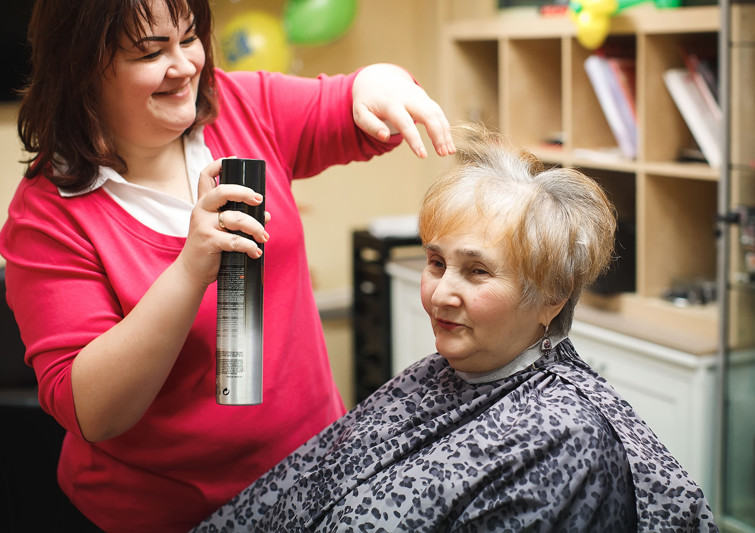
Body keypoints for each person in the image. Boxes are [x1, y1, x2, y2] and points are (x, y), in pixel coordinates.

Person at [0, 0, 455, 531]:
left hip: (311, 485)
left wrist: (385, 81)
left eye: (189, 39)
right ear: (81, 68)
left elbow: (351, 101)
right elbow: (92, 411)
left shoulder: (242, 105)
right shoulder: (47, 214)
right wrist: (191, 270)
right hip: (162, 518)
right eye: (151, 51)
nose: (185, 65)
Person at [194, 123, 719, 532]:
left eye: (478, 271)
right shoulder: (443, 374)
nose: (442, 293)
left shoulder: (564, 441)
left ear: (551, 298)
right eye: (437, 263)